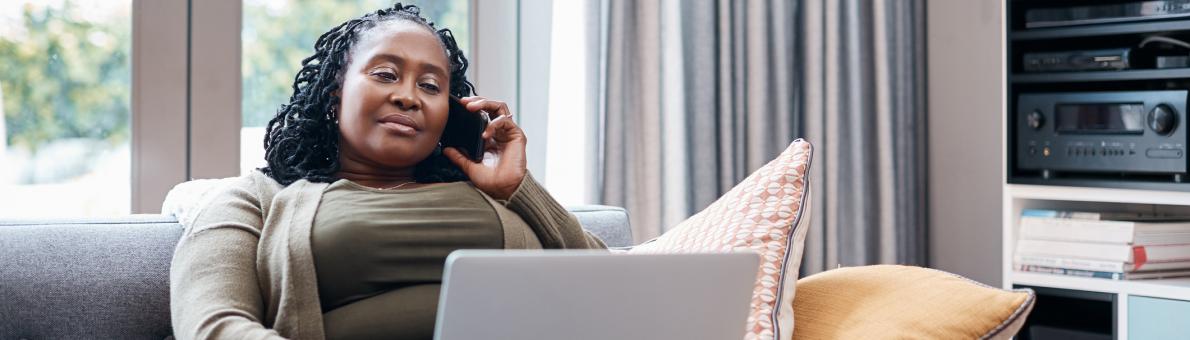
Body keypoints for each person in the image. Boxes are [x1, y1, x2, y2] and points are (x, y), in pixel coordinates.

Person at [169, 4, 606, 339]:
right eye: (385, 74)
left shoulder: (497, 192)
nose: (408, 97)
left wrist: (517, 188)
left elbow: (612, 289)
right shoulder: (256, 197)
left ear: (450, 112)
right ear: (335, 93)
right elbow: (213, 324)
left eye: (431, 86)